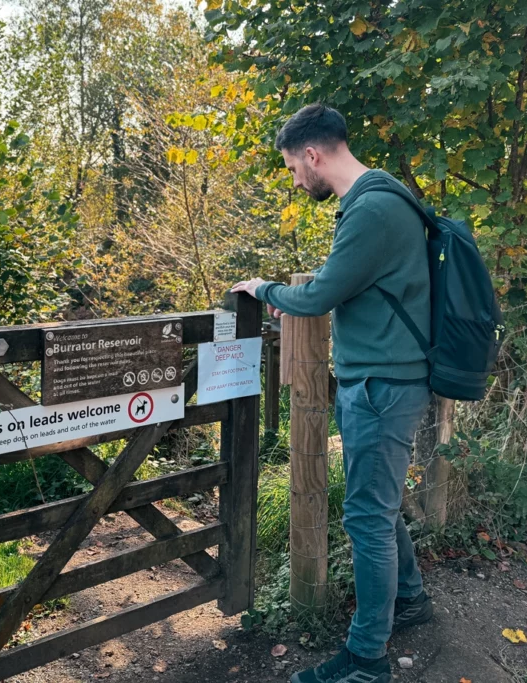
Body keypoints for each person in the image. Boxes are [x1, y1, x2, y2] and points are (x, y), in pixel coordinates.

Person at [231, 104, 434, 683]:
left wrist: (262, 287)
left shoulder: (369, 208)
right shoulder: (386, 193)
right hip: (388, 379)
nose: (296, 180)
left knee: (367, 517)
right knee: (379, 503)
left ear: (313, 155)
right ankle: (411, 601)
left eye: (294, 168)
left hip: (381, 386)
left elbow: (318, 294)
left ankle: (367, 659)